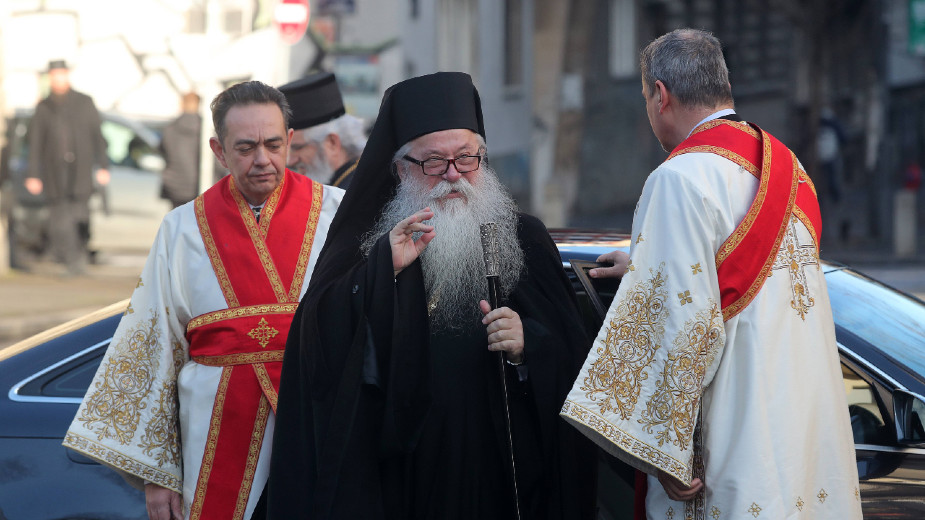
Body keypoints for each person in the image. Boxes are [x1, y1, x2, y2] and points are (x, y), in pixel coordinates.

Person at [561, 29, 863, 519]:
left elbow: (683, 322)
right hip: (803, 441)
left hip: (735, 443)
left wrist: (666, 451)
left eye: (645, 98)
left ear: (660, 94)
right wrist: (645, 266)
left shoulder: (680, 177)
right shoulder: (790, 169)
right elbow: (746, 283)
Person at [266, 72, 597, 519]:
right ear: (401, 168)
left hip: (498, 478)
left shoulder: (524, 238)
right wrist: (383, 270)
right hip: (401, 481)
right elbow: (317, 343)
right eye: (435, 163)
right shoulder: (368, 243)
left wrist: (527, 346)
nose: (454, 175)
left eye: (467, 158)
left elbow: (576, 363)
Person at [62, 80, 344, 520]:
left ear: (290, 139)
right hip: (215, 437)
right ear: (218, 150)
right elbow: (152, 345)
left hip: (316, 425)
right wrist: (158, 474)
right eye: (246, 147)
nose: (262, 160)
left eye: (273, 144)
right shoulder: (181, 229)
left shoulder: (338, 214)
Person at [25, 59, 110, 275]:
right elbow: (35, 143)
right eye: (54, 75)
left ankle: (79, 256)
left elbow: (97, 136)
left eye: (61, 74)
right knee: (60, 218)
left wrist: (103, 165)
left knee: (80, 215)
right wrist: (33, 174)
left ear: (67, 75)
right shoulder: (44, 106)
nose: (58, 79)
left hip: (80, 170)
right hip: (55, 172)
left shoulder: (84, 102)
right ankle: (71, 261)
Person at [279, 72, 366, 188]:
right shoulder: (345, 182)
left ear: (332, 143)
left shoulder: (356, 191)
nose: (291, 161)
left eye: (297, 148)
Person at [160, 91, 202, 208]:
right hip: (200, 184)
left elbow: (163, 152)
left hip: (174, 186)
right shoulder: (206, 129)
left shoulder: (170, 128)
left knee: (178, 222)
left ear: (182, 104)